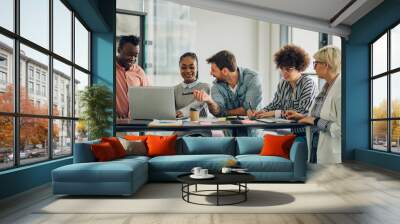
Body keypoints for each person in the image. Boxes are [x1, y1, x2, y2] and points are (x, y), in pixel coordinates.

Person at [286, 46, 342, 164]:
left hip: (331, 154)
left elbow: (342, 129)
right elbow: (319, 116)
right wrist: (302, 117)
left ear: (326, 65)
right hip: (315, 148)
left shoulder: (341, 88)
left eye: (316, 63)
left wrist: (314, 121)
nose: (314, 66)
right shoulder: (326, 87)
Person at [248, 44, 318, 136]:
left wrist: (275, 113)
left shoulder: (308, 84)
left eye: (289, 69)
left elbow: (302, 112)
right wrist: (262, 112)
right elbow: (276, 104)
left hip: (306, 133)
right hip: (289, 131)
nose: (284, 72)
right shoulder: (283, 83)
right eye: (282, 68)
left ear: (299, 68)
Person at [193, 50, 263, 136]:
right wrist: (209, 101)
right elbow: (217, 111)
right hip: (229, 137)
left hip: (253, 136)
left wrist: (224, 112)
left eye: (213, 70)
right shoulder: (216, 86)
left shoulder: (253, 78)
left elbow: (248, 110)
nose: (211, 73)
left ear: (225, 71)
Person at [174, 52, 211, 137]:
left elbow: (196, 106)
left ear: (197, 68)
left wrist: (180, 112)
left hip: (201, 133)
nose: (188, 71)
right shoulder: (174, 89)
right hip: (180, 132)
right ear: (179, 69)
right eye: (183, 67)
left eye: (191, 67)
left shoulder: (205, 87)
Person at [116, 35, 149, 120]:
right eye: (129, 54)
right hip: (113, 123)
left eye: (135, 55)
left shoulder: (140, 72)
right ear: (119, 50)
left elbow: (147, 96)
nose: (133, 59)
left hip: (134, 123)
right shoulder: (109, 68)